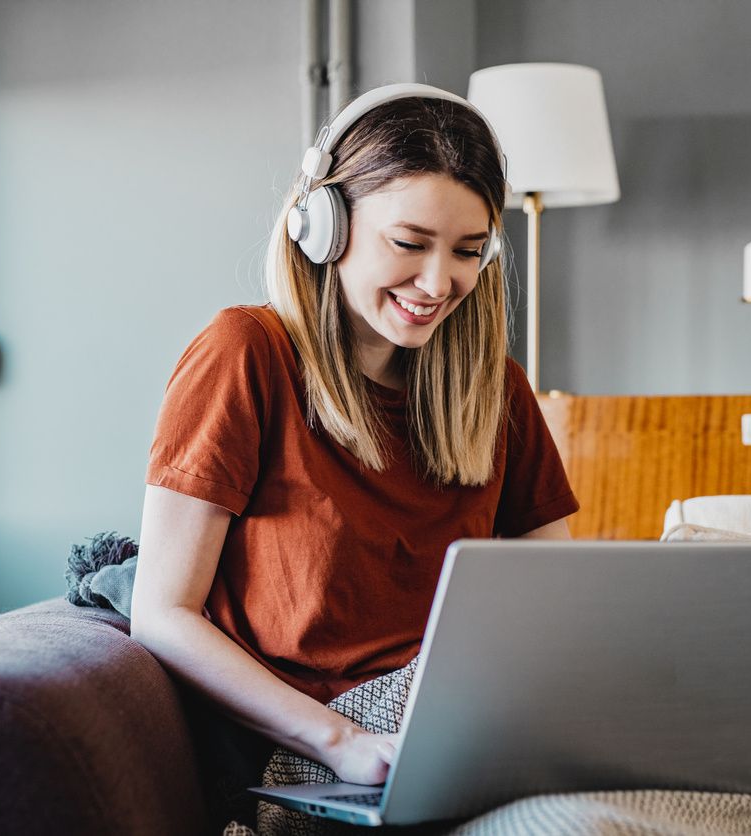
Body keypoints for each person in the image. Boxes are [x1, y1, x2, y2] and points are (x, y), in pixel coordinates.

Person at [130, 84, 579, 830]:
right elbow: (162, 614)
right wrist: (344, 744)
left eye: (469, 252)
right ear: (323, 224)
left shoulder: (495, 388)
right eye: (408, 244)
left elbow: (560, 602)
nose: (439, 284)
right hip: (327, 750)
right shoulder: (245, 354)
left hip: (475, 726)